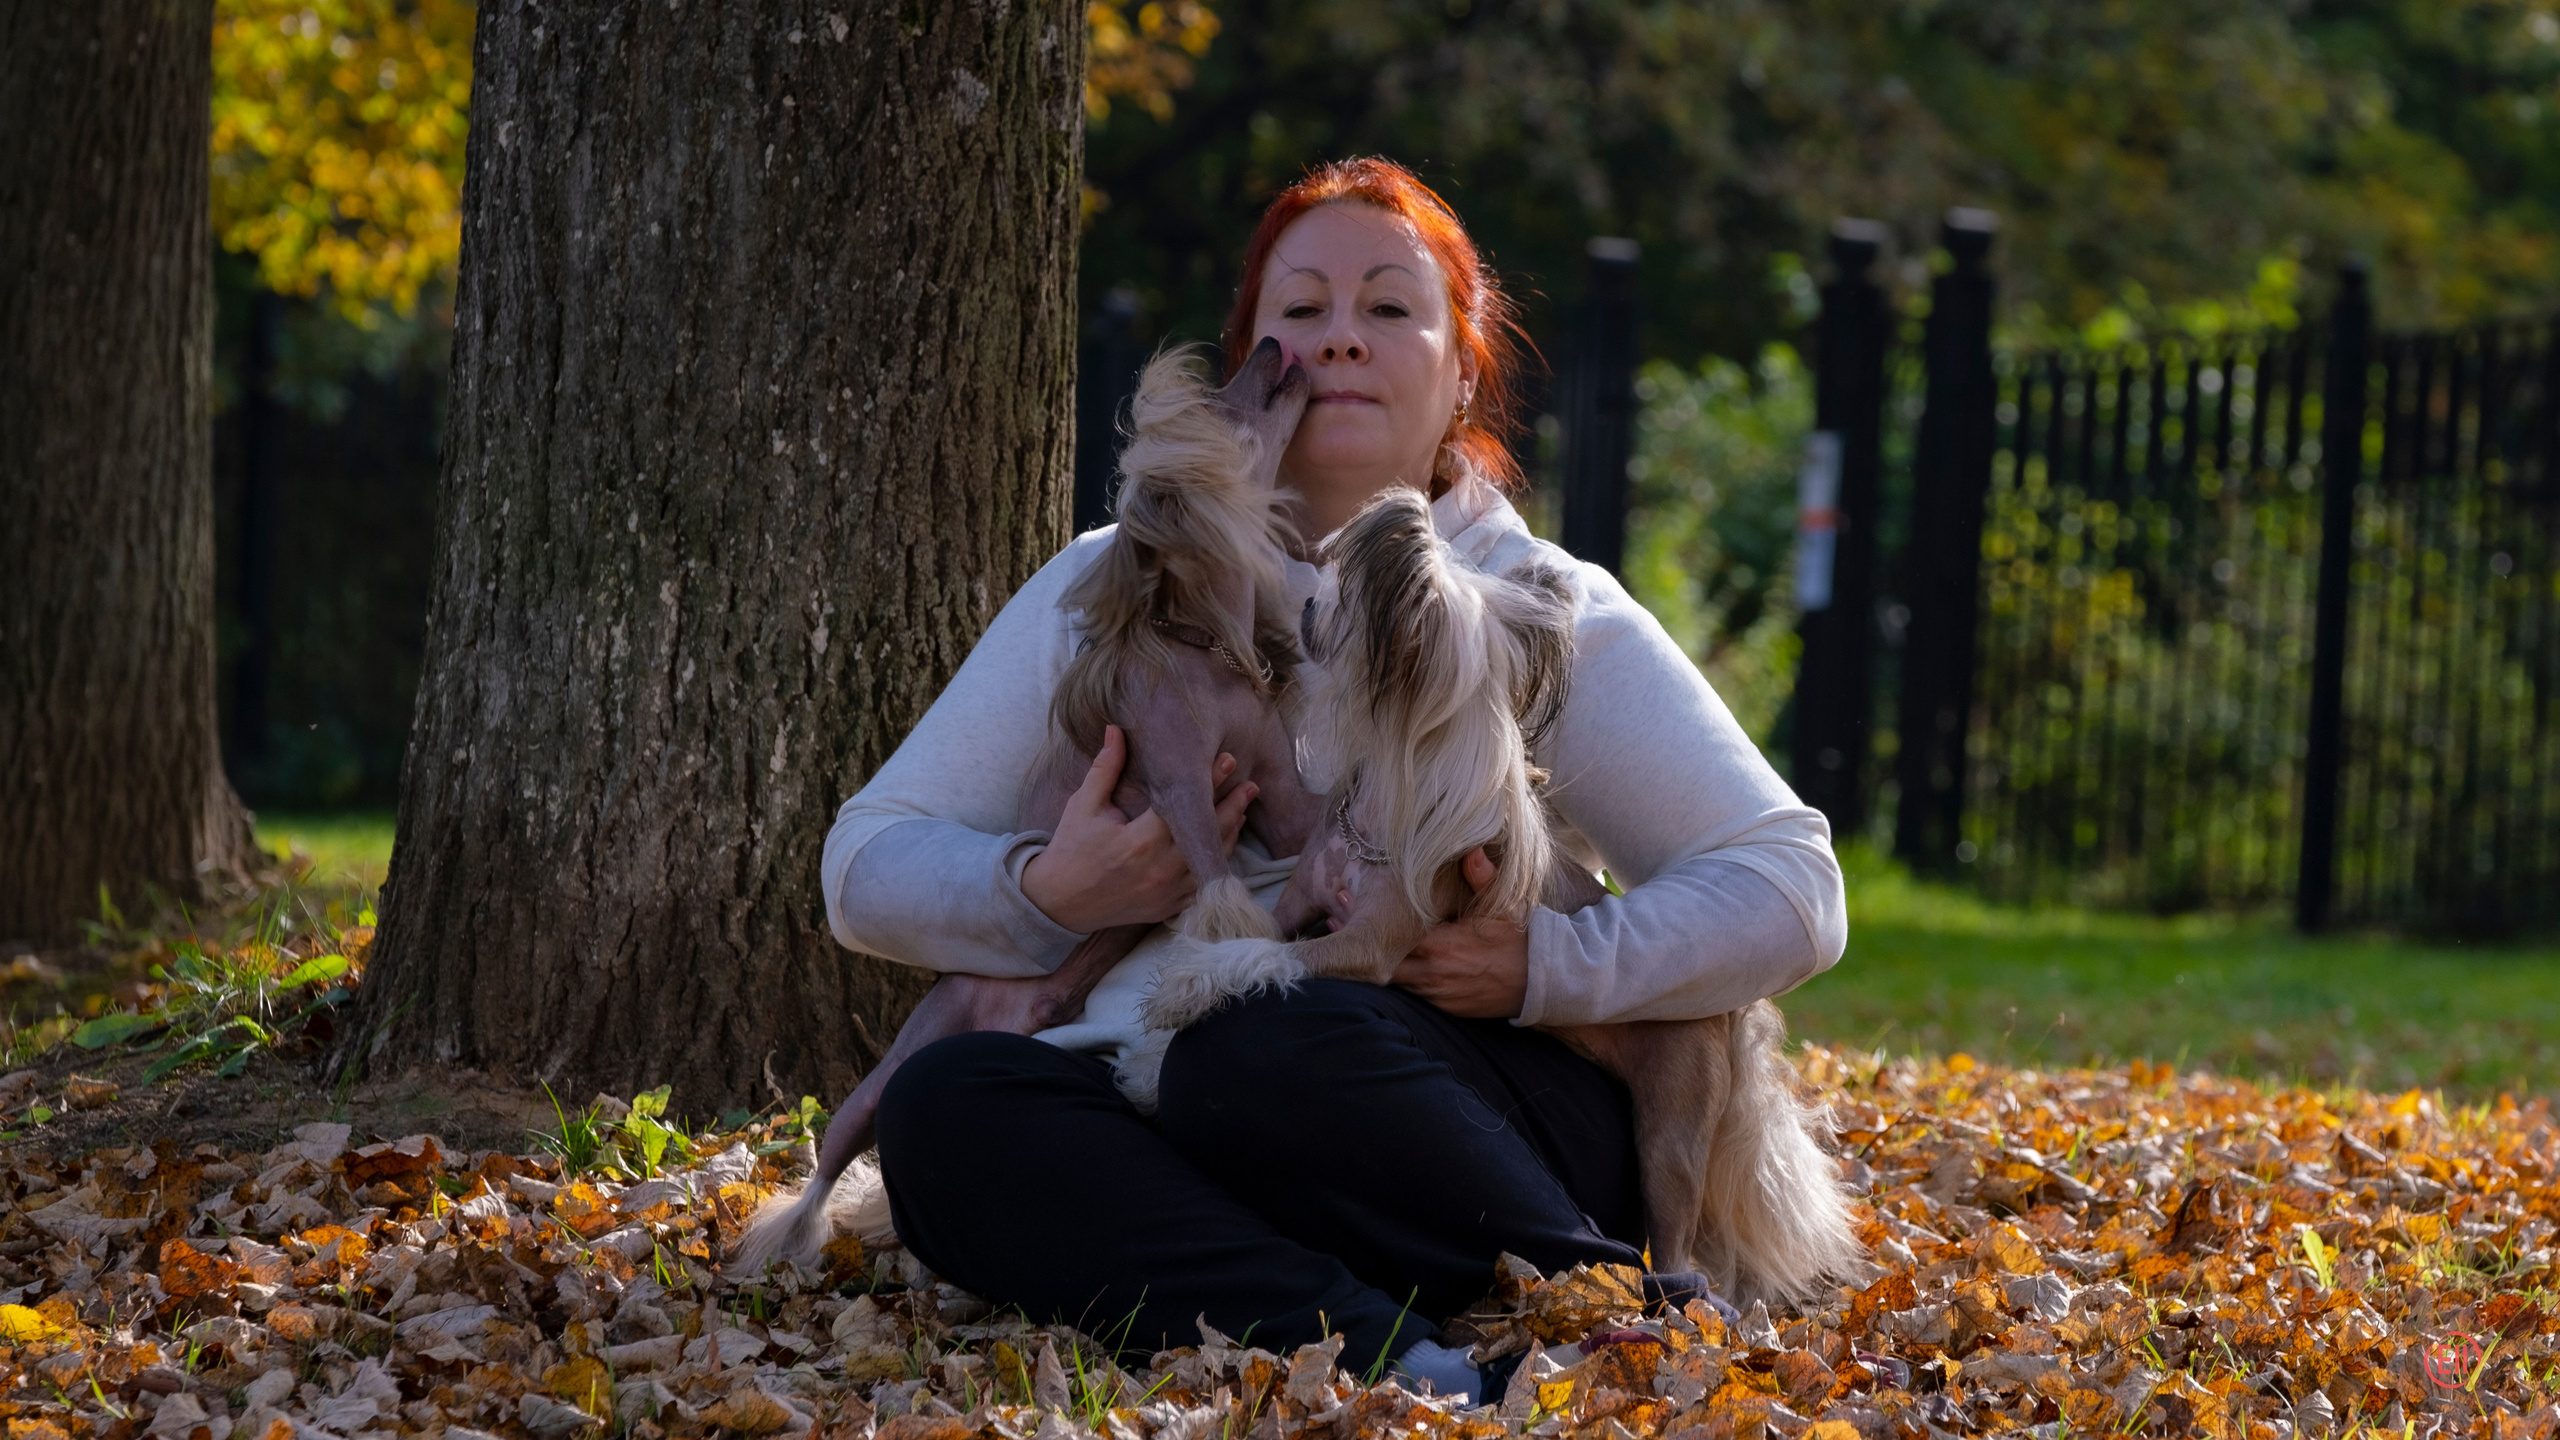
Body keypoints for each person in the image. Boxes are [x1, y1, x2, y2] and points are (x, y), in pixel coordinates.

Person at [820, 158, 1845, 1396]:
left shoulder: (1537, 606)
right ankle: (1407, 1359)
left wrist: (1544, 967)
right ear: (1250, 367)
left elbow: (1791, 889)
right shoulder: (1111, 587)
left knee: (1255, 1045)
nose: (1341, 341)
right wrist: (1047, 891)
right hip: (1164, 1126)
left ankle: (1603, 1313)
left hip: (1452, 1123)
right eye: (1299, 313)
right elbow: (865, 867)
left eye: (1388, 309)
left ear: (1463, 367)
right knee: (947, 1112)